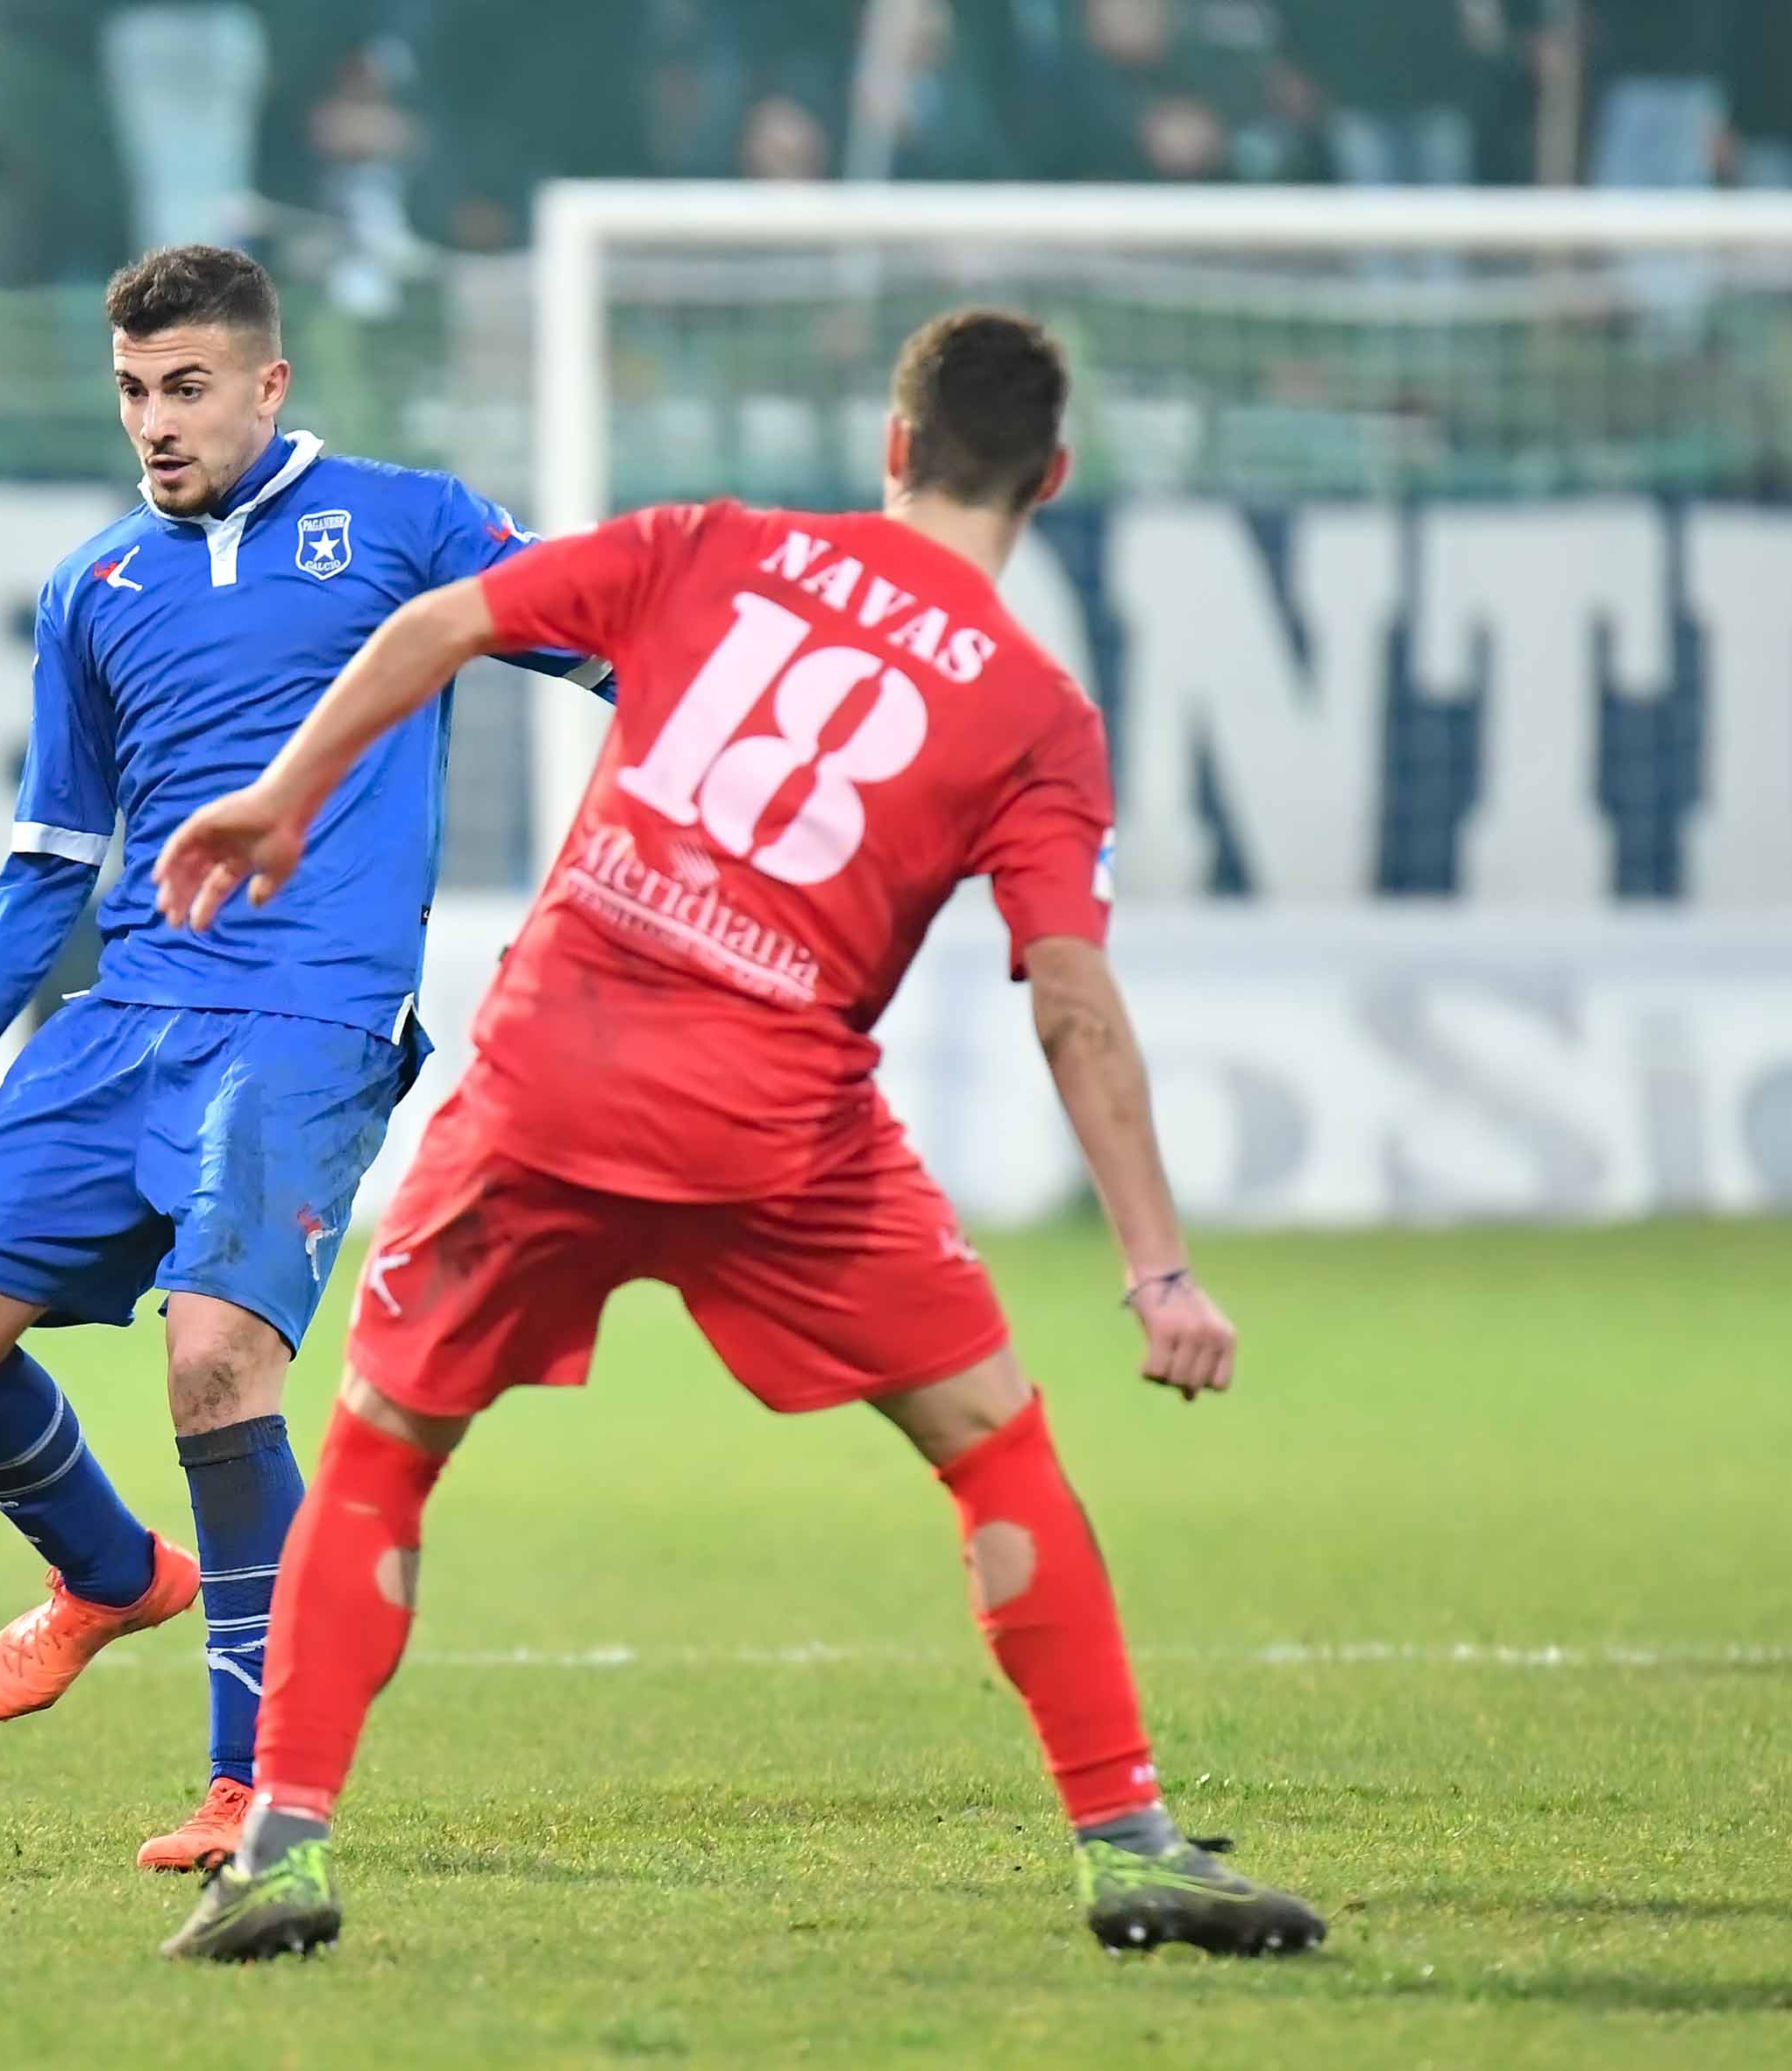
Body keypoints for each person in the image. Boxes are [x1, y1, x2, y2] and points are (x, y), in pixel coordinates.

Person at [150, 310, 1327, 1961]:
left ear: (895, 449)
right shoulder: (1038, 712)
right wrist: (1158, 1267)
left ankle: (279, 1844)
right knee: (993, 1441)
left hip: (548, 1077)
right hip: (779, 1128)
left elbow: (439, 625)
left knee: (384, 1454)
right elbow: (1073, 1002)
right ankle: (1129, 1840)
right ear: (1050, 478)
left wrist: (281, 794)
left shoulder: (711, 544)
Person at [0, 243, 609, 1874]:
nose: (156, 423)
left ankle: (255, 1781)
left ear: (270, 382)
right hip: (125, 1017)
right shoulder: (96, 589)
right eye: (131, 390)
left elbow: (612, 640)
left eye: (187, 387)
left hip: (311, 1017)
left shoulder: (406, 522)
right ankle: (113, 1574)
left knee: (215, 1363)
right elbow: (52, 855)